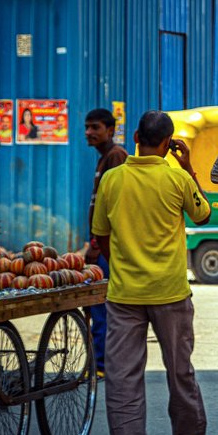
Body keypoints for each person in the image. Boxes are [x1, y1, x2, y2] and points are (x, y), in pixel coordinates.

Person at [91, 110, 212, 435]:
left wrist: (121, 265)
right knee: (179, 369)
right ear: (167, 143)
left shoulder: (112, 179)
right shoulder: (176, 177)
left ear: (136, 138)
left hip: (124, 293)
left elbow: (100, 236)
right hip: (170, 292)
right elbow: (202, 214)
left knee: (122, 374)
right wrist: (187, 167)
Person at [84, 108, 129, 378]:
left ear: (110, 130)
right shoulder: (104, 158)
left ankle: (102, 365)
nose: (89, 132)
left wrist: (96, 244)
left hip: (108, 245)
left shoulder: (116, 156)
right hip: (101, 243)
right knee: (98, 304)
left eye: (95, 127)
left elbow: (114, 206)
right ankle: (99, 362)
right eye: (87, 127)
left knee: (101, 305)